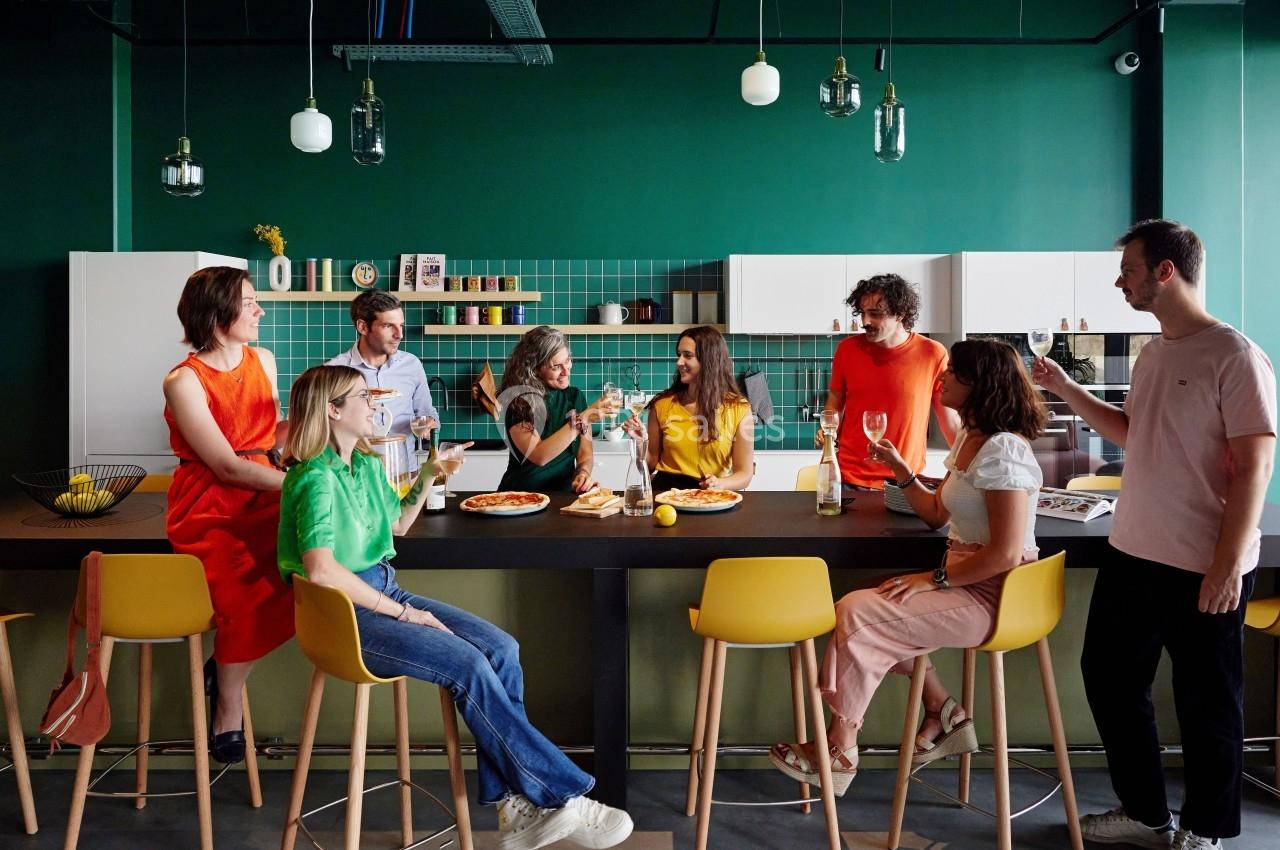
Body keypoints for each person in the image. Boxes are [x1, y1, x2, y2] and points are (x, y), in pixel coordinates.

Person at [277, 365, 633, 850]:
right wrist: (405, 613)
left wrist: (430, 472)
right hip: (343, 616)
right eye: (364, 396)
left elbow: (398, 525)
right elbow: (321, 570)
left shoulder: (361, 465)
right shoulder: (312, 477)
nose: (375, 404)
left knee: (501, 648)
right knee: (467, 663)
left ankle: (514, 809)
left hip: (381, 591)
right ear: (332, 410)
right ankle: (563, 795)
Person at [1034, 220, 1276, 850]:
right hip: (1133, 551)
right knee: (1109, 680)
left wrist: (1227, 564)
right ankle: (1144, 811)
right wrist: (1065, 389)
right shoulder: (1154, 351)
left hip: (1202, 563)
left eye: (1129, 270)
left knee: (1206, 703)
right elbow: (1130, 432)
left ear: (1166, 270)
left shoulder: (1235, 354)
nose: (1121, 281)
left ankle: (1206, 828)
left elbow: (1256, 464)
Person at [770, 339, 1046, 796]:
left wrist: (933, 578)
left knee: (860, 611)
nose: (942, 378)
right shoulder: (969, 440)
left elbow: (1004, 552)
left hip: (997, 595)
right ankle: (943, 711)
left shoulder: (1004, 451)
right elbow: (938, 514)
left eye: (954, 373)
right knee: (871, 598)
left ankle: (841, 748)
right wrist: (901, 469)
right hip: (969, 583)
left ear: (981, 385)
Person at [162, 266, 294, 764]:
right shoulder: (183, 380)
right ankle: (229, 706)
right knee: (241, 593)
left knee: (309, 572)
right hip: (211, 504)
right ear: (218, 312)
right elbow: (225, 465)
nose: (260, 309)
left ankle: (225, 666)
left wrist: (309, 417)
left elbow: (266, 439)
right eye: (250, 301)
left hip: (265, 489)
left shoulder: (264, 359)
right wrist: (302, 484)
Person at [818, 274, 960, 489]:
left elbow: (949, 420)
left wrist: (968, 466)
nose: (865, 322)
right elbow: (836, 400)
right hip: (849, 478)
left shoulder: (932, 353)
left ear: (900, 314)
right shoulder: (847, 350)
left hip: (906, 481)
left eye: (875, 314)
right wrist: (829, 429)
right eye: (863, 313)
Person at [625, 326, 754, 491]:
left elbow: (744, 474)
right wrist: (641, 443)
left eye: (688, 355)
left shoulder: (738, 409)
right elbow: (649, 466)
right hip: (665, 494)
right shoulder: (662, 405)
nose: (679, 362)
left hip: (711, 496)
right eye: (679, 355)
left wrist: (719, 483)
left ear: (709, 360)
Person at [497, 325, 619, 493]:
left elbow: (585, 454)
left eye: (567, 360)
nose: (565, 371)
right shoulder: (519, 401)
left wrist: (582, 474)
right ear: (534, 369)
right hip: (520, 497)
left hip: (563, 499)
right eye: (556, 367)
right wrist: (584, 419)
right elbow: (539, 455)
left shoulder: (575, 397)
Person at [328, 290, 439, 470]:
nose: (399, 334)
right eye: (388, 326)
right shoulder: (335, 371)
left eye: (401, 325)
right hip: (356, 475)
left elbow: (427, 413)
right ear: (363, 327)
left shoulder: (411, 365)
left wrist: (429, 423)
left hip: (405, 472)